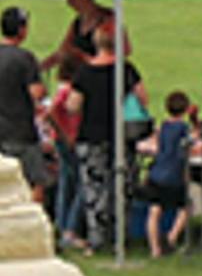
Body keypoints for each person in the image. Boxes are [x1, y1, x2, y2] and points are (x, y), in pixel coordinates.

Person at [67, 22, 146, 254]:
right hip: (122, 135)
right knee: (122, 186)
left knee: (95, 189)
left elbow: (73, 105)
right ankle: (121, 235)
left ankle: (97, 237)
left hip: (91, 136)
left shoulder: (84, 72)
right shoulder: (126, 69)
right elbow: (143, 98)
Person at [137, 90, 192, 258]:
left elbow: (155, 143)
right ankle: (171, 237)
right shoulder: (183, 128)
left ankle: (155, 249)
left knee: (154, 211)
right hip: (174, 176)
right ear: (187, 109)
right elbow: (188, 145)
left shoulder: (163, 127)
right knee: (185, 207)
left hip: (156, 174)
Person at [0, 6, 46, 202]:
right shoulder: (24, 58)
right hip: (21, 132)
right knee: (36, 182)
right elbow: (36, 93)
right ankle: (33, 224)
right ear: (21, 30)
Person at [43, 0, 127, 73]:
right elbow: (62, 51)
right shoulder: (78, 22)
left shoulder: (108, 18)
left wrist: (84, 58)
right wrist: (40, 67)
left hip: (103, 76)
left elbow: (125, 49)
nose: (68, 2)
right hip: (81, 76)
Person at [48, 57, 85, 248]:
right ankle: (70, 228)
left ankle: (61, 226)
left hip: (61, 140)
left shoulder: (63, 88)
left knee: (66, 182)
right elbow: (52, 112)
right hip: (69, 141)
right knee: (82, 184)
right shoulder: (69, 91)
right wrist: (66, 134)